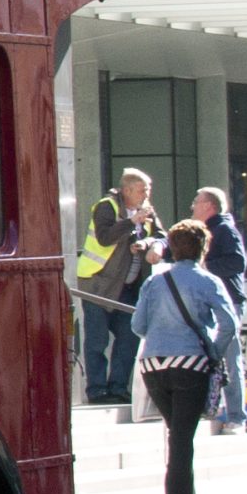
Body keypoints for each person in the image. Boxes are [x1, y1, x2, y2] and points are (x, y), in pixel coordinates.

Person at [135, 219, 233, 494]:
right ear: (203, 248)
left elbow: (138, 326)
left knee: (177, 435)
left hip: (153, 367)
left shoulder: (154, 282)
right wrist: (213, 352)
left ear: (172, 249)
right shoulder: (208, 281)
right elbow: (229, 324)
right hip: (190, 365)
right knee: (181, 440)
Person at [74, 168, 160, 407]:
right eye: (142, 190)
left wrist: (147, 243)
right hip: (98, 285)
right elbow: (104, 237)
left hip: (128, 287)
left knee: (129, 338)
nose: (146, 194)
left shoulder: (147, 211)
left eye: (148, 190)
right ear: (127, 190)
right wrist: (131, 222)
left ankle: (118, 388)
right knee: (97, 340)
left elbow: (161, 235)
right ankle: (97, 390)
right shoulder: (107, 206)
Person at [191, 184, 247, 433]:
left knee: (228, 358)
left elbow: (237, 262)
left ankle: (236, 416)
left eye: (197, 201)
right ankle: (212, 408)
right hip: (206, 302)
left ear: (209, 206)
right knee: (207, 357)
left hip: (227, 303)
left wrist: (205, 268)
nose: (192, 206)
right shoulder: (201, 230)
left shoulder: (224, 230)